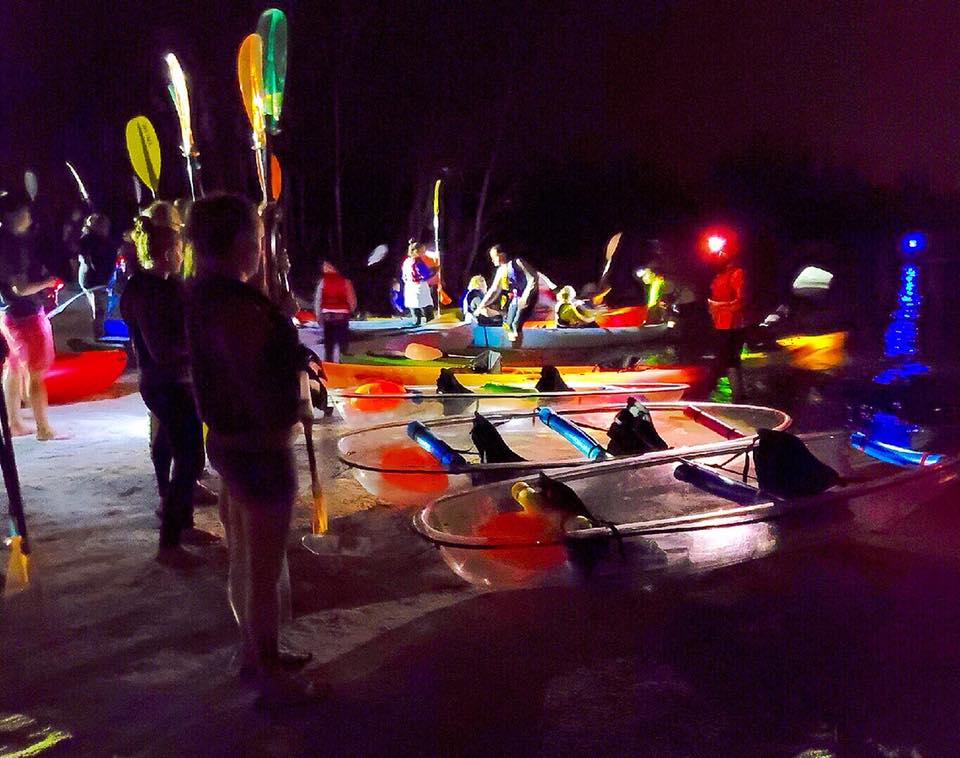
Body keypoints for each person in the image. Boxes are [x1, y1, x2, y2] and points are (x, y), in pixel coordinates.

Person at [184, 193, 317, 705]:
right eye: (256, 239)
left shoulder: (213, 294)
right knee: (260, 565)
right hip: (255, 448)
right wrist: (287, 398)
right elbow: (249, 375)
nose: (260, 248)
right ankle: (265, 669)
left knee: (249, 555)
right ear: (238, 241)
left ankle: (259, 652)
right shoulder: (227, 305)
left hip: (235, 444)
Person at [120, 201, 215, 568]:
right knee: (191, 457)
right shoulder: (146, 291)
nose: (181, 254)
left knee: (172, 446)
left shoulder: (165, 284)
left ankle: (180, 520)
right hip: (165, 384)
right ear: (162, 251)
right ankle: (169, 543)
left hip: (173, 382)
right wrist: (199, 348)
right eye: (177, 248)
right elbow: (161, 349)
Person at [0, 191, 59, 440]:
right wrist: (49, 281)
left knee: (13, 368)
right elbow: (21, 288)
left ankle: (14, 421)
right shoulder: (13, 246)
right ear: (12, 215)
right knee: (36, 373)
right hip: (26, 315)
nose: (29, 217)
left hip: (6, 314)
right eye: (25, 212)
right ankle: (43, 427)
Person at [706, 241, 746, 402]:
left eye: (722, 253)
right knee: (725, 360)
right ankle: (737, 394)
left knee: (731, 361)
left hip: (733, 325)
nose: (717, 256)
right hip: (720, 325)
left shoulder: (737, 273)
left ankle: (738, 397)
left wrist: (717, 306)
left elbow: (740, 302)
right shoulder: (718, 275)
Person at [477, 244, 539, 342]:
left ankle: (520, 337)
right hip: (516, 298)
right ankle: (513, 342)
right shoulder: (501, 270)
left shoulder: (517, 263)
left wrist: (526, 296)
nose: (492, 260)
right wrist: (481, 306)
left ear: (501, 255)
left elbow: (533, 278)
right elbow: (494, 290)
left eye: (494, 257)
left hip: (529, 296)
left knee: (516, 321)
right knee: (508, 323)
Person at [77, 213, 115, 340]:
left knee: (101, 306)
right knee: (100, 308)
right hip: (95, 280)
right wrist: (101, 277)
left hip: (96, 279)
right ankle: (99, 334)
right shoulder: (92, 241)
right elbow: (91, 261)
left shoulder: (92, 239)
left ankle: (100, 330)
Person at [313, 260, 357, 363]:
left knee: (329, 344)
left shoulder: (323, 282)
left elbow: (318, 299)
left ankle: (330, 364)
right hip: (342, 315)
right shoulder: (345, 281)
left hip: (328, 315)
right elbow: (351, 299)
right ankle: (343, 362)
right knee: (342, 341)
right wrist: (350, 310)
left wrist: (318, 315)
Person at [401, 240, 434, 325]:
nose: (423, 253)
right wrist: (435, 270)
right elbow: (425, 274)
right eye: (422, 251)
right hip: (419, 287)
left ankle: (416, 322)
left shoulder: (406, 262)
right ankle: (430, 324)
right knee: (427, 308)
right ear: (416, 252)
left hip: (409, 287)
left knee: (415, 310)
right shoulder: (418, 262)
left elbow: (404, 276)